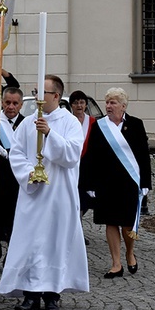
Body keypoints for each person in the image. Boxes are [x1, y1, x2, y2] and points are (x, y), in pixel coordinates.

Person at [0, 75, 89, 310]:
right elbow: (16, 153)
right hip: (34, 193)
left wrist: (50, 134)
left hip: (60, 193)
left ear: (56, 97)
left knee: (54, 242)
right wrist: (30, 173)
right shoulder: (28, 123)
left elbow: (72, 154)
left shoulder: (70, 122)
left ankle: (52, 295)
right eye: (37, 91)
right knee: (31, 241)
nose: (38, 97)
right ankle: (30, 294)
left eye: (43, 93)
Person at [79, 87, 151, 279]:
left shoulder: (136, 125)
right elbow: (91, 156)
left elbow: (143, 156)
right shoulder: (99, 126)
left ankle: (129, 253)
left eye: (113, 102)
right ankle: (116, 263)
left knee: (127, 224)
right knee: (110, 222)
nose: (108, 106)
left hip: (129, 182)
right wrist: (89, 184)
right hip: (106, 182)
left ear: (123, 106)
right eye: (107, 102)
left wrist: (145, 183)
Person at [0, 87, 24, 261]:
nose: (10, 107)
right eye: (7, 102)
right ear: (2, 102)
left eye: (15, 103)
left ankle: (12, 259)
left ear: (21, 105)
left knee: (16, 225)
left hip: (19, 184)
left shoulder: (27, 123)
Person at [70, 90, 97, 245]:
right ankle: (76, 230)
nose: (79, 105)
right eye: (75, 102)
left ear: (86, 104)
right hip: (71, 165)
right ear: (71, 105)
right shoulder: (67, 121)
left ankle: (78, 228)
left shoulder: (93, 122)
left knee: (84, 200)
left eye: (81, 102)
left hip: (87, 167)